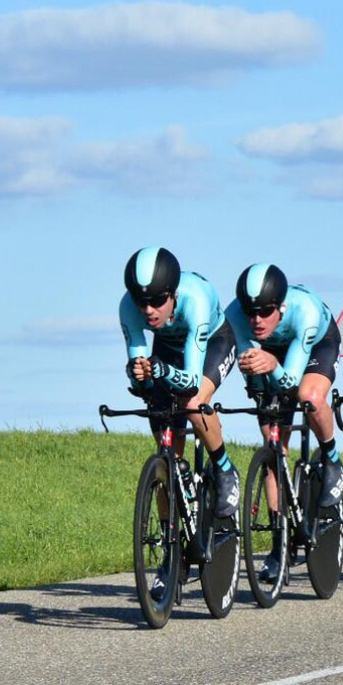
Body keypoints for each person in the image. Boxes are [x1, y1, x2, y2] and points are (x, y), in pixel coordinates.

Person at [119, 247, 240, 596]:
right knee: (164, 441)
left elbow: (188, 379)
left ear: (173, 295)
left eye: (157, 301)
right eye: (142, 302)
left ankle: (224, 466)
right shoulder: (129, 308)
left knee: (192, 402)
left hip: (211, 343)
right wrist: (141, 375)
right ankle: (172, 547)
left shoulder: (196, 300)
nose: (148, 310)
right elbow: (142, 374)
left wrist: (156, 370)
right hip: (168, 350)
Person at [224, 263, 343, 582]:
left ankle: (331, 457)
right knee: (274, 449)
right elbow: (247, 360)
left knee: (309, 397)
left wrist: (272, 364)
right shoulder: (235, 315)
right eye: (251, 312)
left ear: (281, 306)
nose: (256, 320)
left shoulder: (303, 312)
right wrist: (256, 369)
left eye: (265, 311)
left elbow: (290, 377)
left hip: (316, 343)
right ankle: (280, 545)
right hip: (271, 355)